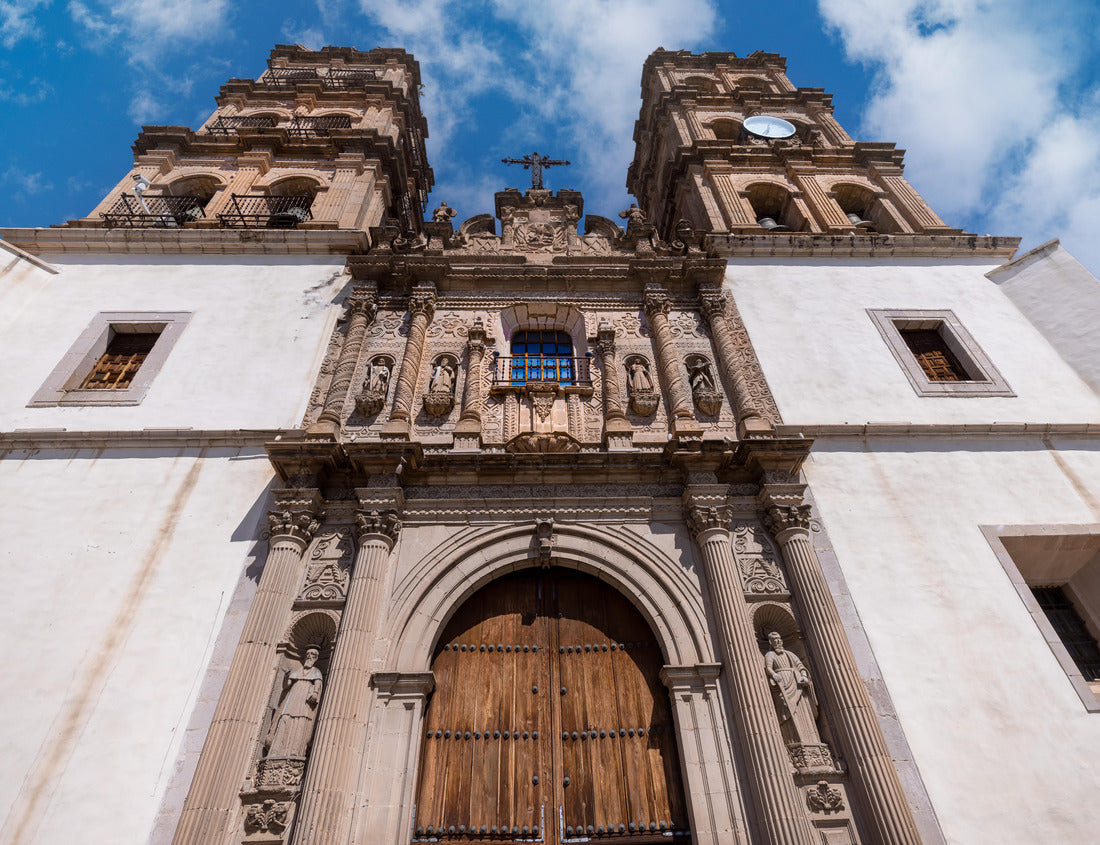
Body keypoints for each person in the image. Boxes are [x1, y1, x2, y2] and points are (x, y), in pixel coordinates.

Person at [265, 645, 324, 758]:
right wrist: (287, 676)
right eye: (307, 654)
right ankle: (275, 751)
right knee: (285, 719)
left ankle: (295, 751)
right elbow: (286, 686)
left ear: (316, 658)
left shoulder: (316, 672)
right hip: (292, 698)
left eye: (312, 655)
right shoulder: (298, 671)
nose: (309, 657)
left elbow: (318, 684)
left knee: (301, 722)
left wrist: (315, 693)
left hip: (304, 701)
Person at [764, 631, 820, 745]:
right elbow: (768, 668)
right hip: (781, 684)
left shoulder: (790, 654)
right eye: (775, 640)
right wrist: (774, 674)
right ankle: (792, 740)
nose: (778, 641)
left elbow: (800, 666)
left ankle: (811, 739)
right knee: (785, 708)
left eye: (779, 639)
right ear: (771, 642)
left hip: (796, 683)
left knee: (802, 709)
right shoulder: (770, 655)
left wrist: (803, 676)